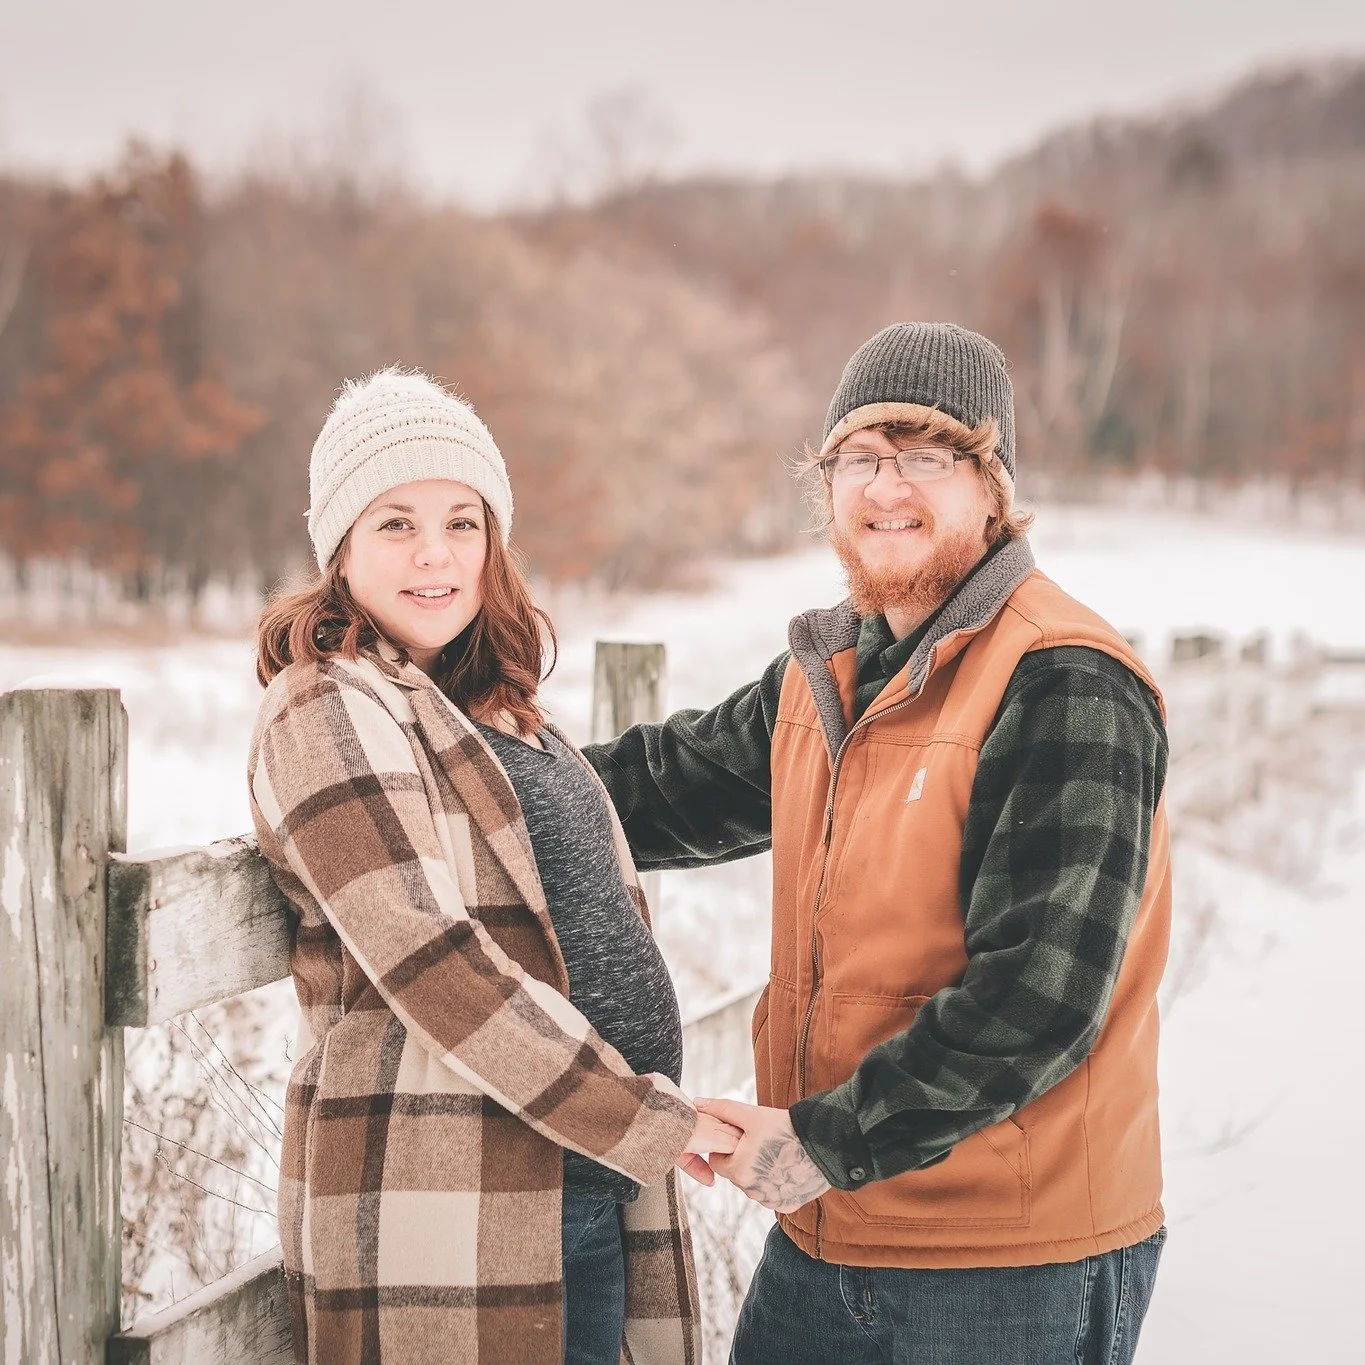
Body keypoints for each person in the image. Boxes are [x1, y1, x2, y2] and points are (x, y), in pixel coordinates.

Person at [584, 323, 1170, 1364]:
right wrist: (459, 763)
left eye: (928, 455)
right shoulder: (834, 674)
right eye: (860, 456)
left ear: (991, 487)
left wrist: (819, 1144)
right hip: (830, 1231)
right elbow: (657, 788)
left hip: (1008, 1268)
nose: (887, 486)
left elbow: (1037, 1000)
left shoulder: (1065, 679)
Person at [248, 368, 736, 1365]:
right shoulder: (327, 704)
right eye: (395, 524)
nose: (436, 555)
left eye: (462, 523)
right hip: (461, 1204)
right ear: (339, 548)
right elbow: (435, 963)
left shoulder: (487, 705)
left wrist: (627, 1127)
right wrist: (639, 1116)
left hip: (581, 1189)